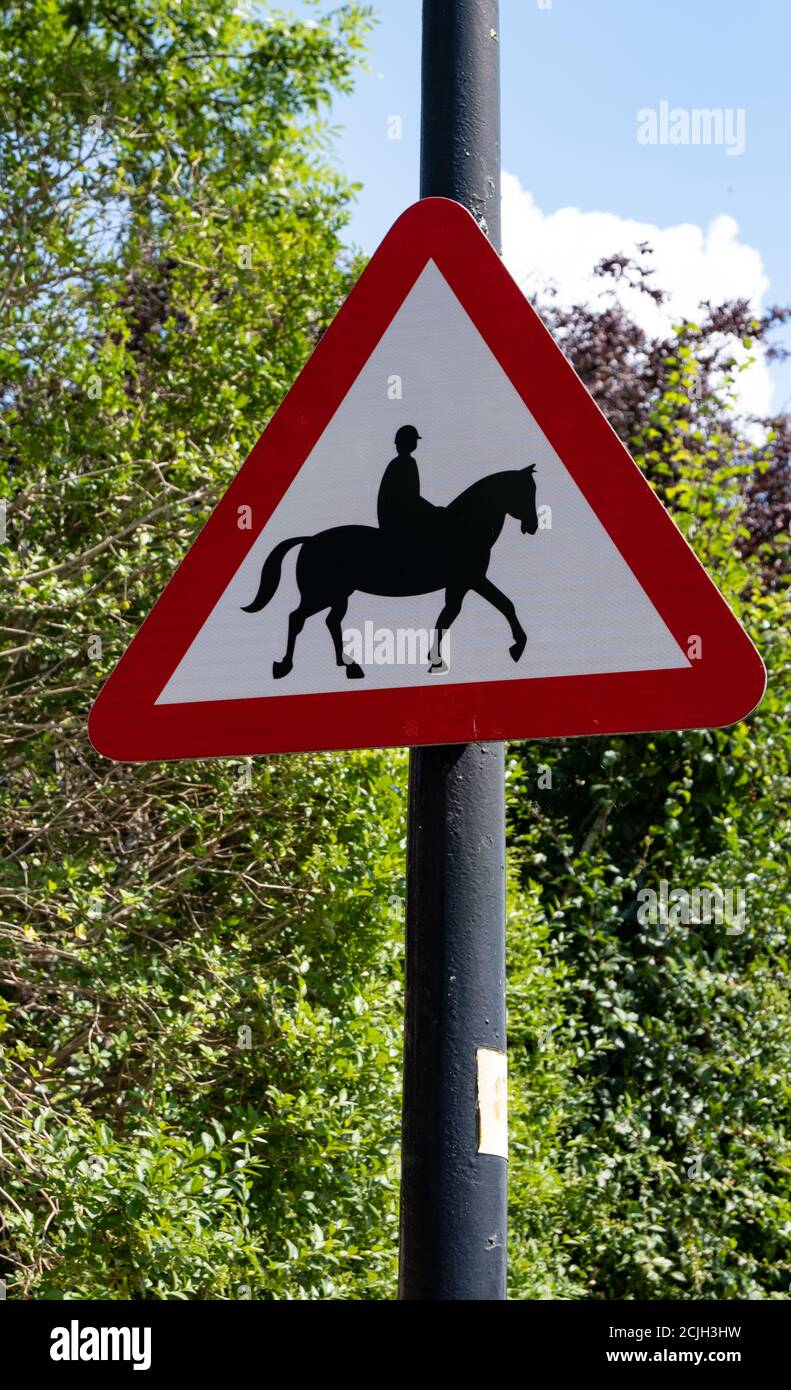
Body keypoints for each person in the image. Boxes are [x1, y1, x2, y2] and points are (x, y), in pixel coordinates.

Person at [376, 425, 442, 545]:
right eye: (413, 440)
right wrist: (433, 510)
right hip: (399, 519)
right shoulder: (407, 463)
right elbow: (411, 497)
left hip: (393, 517)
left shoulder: (397, 463)